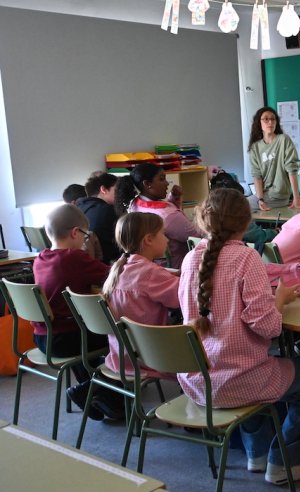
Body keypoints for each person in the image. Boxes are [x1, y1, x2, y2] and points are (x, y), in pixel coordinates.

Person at [178, 188, 300, 485]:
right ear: (246, 223)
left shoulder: (190, 259)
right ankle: (285, 462)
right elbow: (267, 328)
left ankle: (256, 454)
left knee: (260, 365)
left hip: (198, 381)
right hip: (239, 380)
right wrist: (279, 300)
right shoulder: (246, 259)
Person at [32, 204, 122, 420]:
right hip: (68, 338)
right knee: (121, 338)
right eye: (85, 234)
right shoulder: (73, 257)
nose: (86, 239)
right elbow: (112, 275)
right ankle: (92, 390)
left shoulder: (40, 258)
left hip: (44, 337)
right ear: (75, 232)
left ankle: (95, 394)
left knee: (90, 334)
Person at [101, 212, 180, 381]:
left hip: (122, 356)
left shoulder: (120, 267)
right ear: (148, 240)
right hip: (151, 358)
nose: (167, 239)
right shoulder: (150, 273)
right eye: (163, 234)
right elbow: (183, 297)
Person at [115, 162, 201, 270]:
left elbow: (167, 216)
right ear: (147, 184)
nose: (167, 183)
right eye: (161, 179)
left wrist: (173, 198)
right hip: (177, 269)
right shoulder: (168, 215)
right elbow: (197, 235)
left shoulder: (135, 204)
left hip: (152, 267)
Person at [247, 107, 300, 211]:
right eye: (266, 119)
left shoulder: (283, 139)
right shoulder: (255, 147)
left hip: (279, 195)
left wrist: (296, 198)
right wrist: (260, 200)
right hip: (264, 196)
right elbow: (257, 176)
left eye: (273, 119)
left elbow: (292, 170)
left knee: (236, 206)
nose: (270, 122)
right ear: (259, 123)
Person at [77, 171, 121, 263]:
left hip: (90, 262)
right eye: (117, 190)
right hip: (109, 263)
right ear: (103, 189)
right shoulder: (108, 210)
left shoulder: (79, 207)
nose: (120, 194)